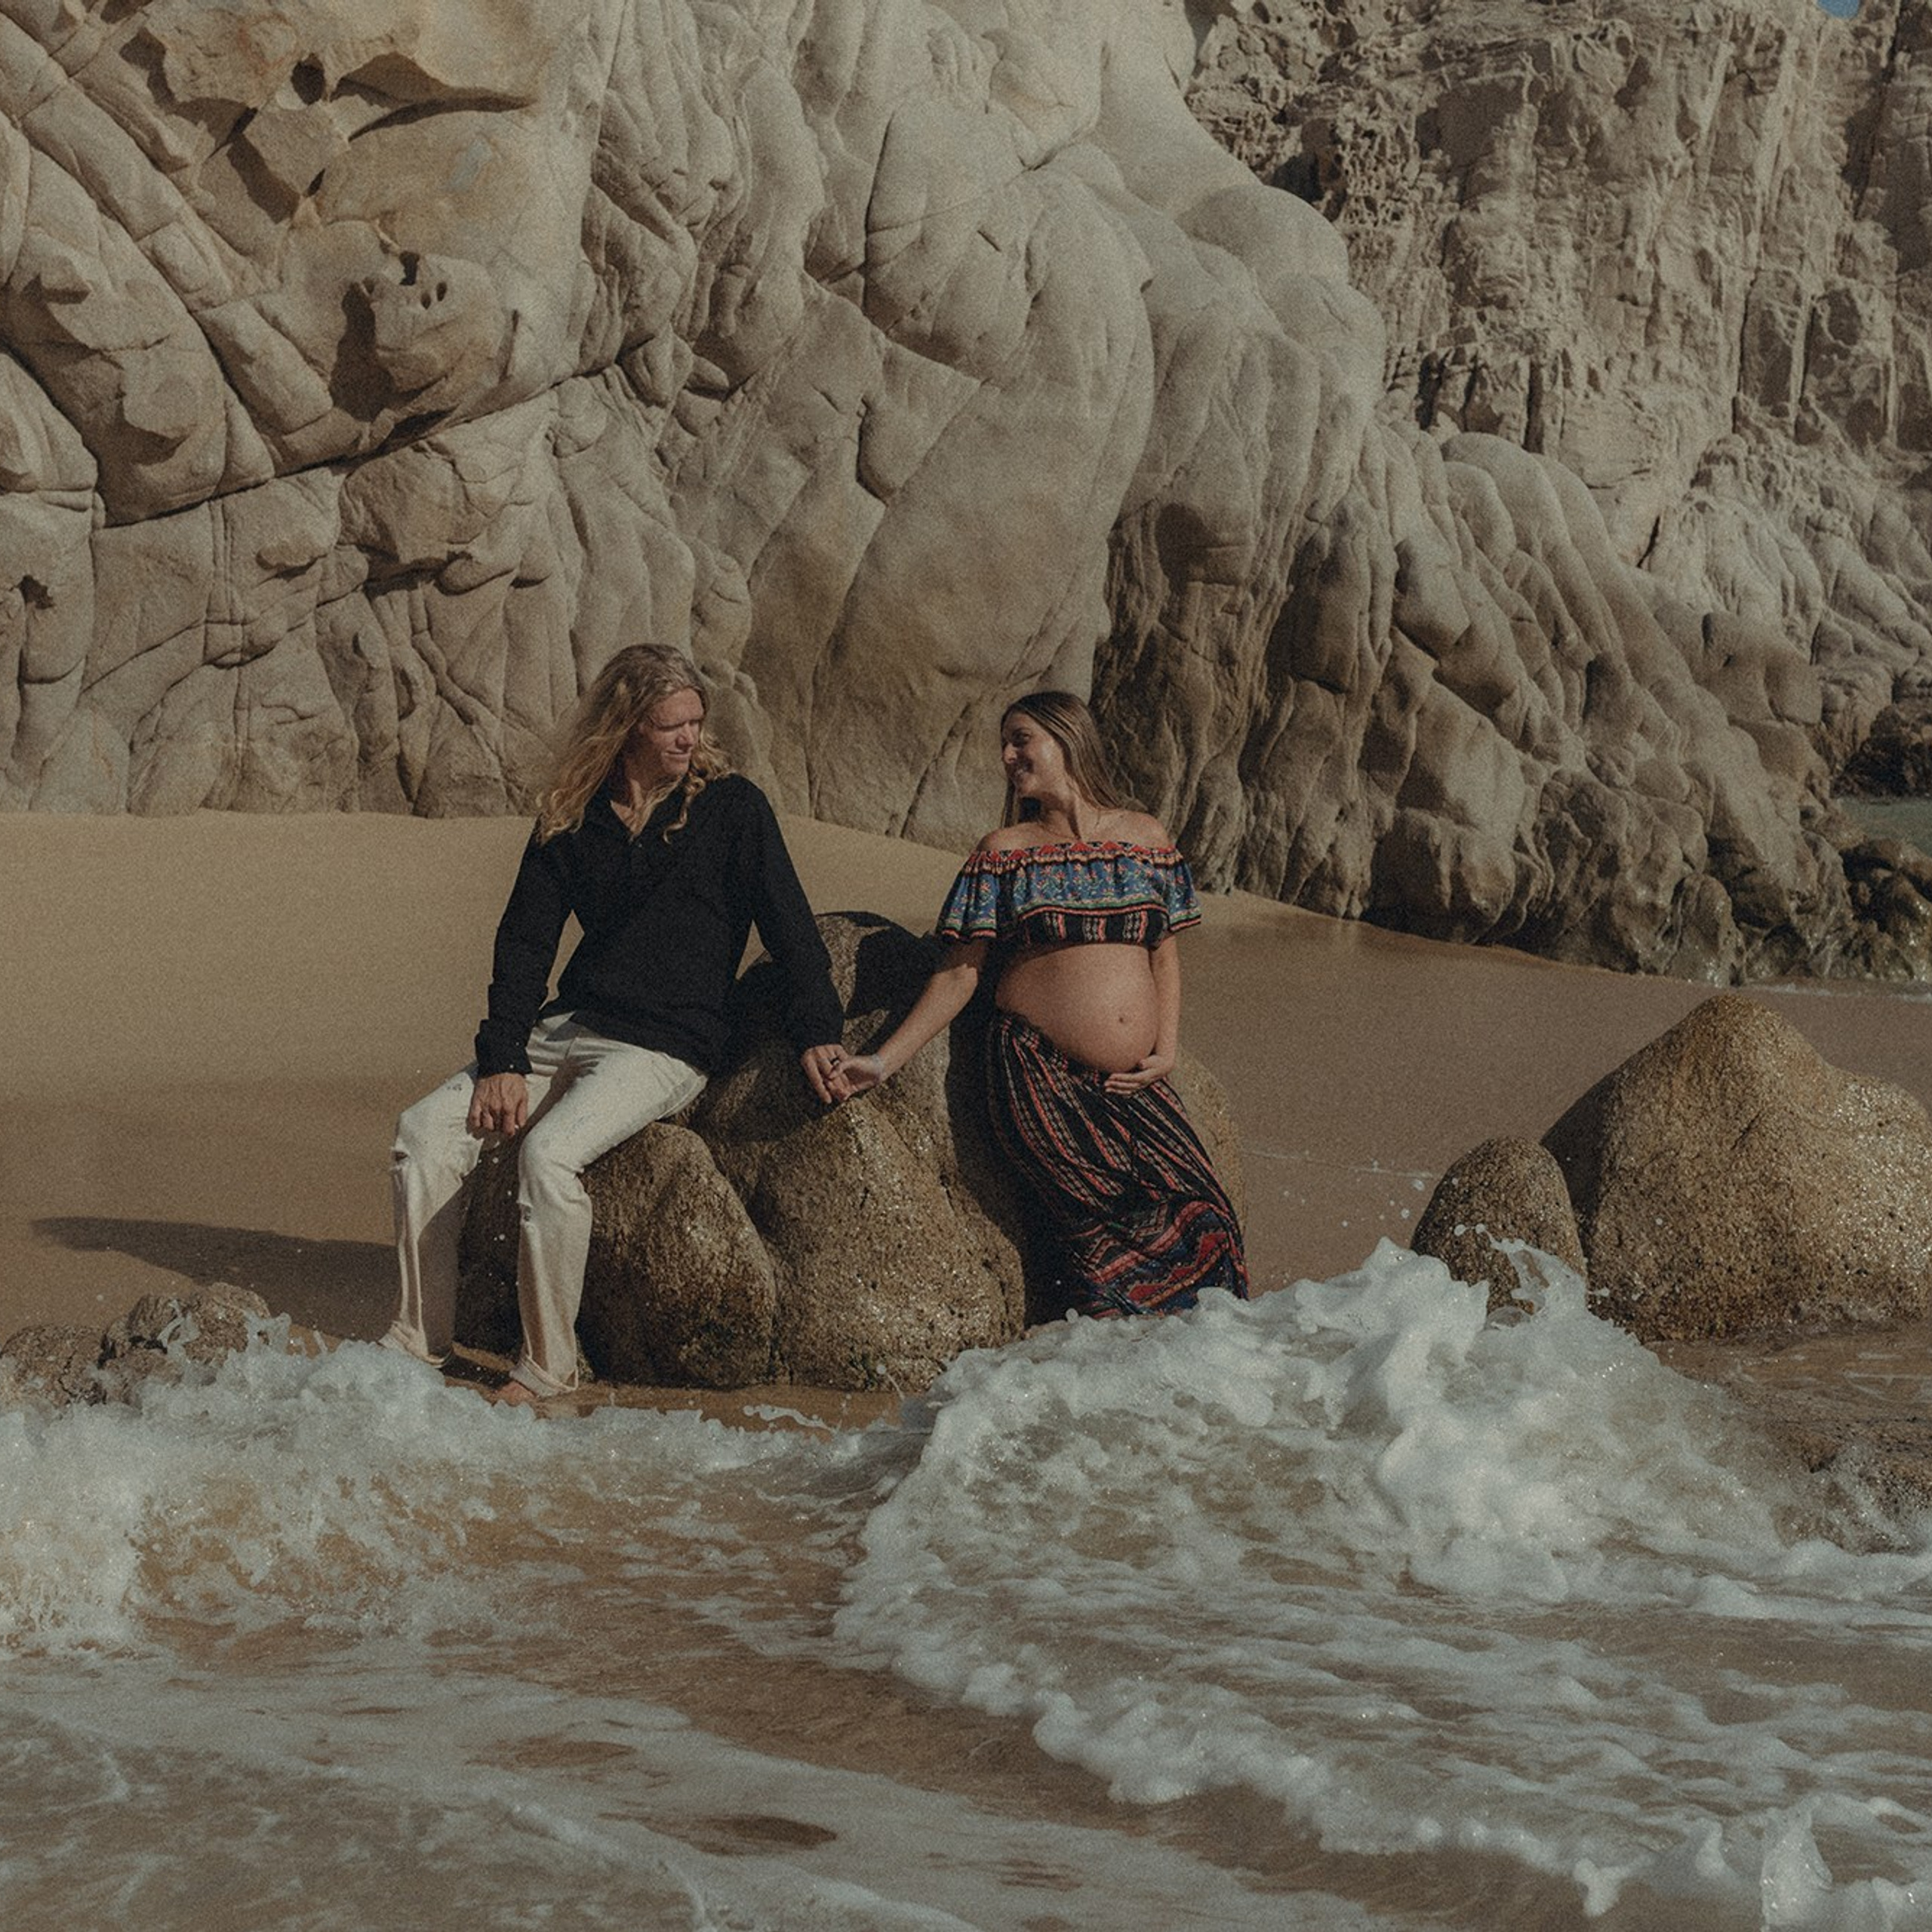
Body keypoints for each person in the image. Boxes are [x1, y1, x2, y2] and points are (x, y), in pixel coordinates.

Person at [380, 644, 846, 1403]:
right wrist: (501, 1055)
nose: (689, 738)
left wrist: (817, 1028)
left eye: (695, 721)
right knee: (423, 1135)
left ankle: (547, 1366)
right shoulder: (574, 810)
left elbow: (791, 929)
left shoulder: (733, 810)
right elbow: (524, 944)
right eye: (671, 726)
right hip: (571, 1024)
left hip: (668, 1044)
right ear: (626, 725)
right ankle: (415, 1344)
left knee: (550, 1157)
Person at [829, 691, 1247, 1317]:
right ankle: (1102, 1373)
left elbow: (1163, 954)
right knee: (1104, 1222)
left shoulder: (1145, 837)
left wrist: (1165, 1048)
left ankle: (1191, 1388)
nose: (1007, 756)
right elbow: (958, 976)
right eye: (1006, 743)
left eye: (1021, 739)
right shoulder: (1004, 852)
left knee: (1207, 1214)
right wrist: (882, 1062)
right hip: (1036, 1071)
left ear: (1067, 737)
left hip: (1135, 1082)